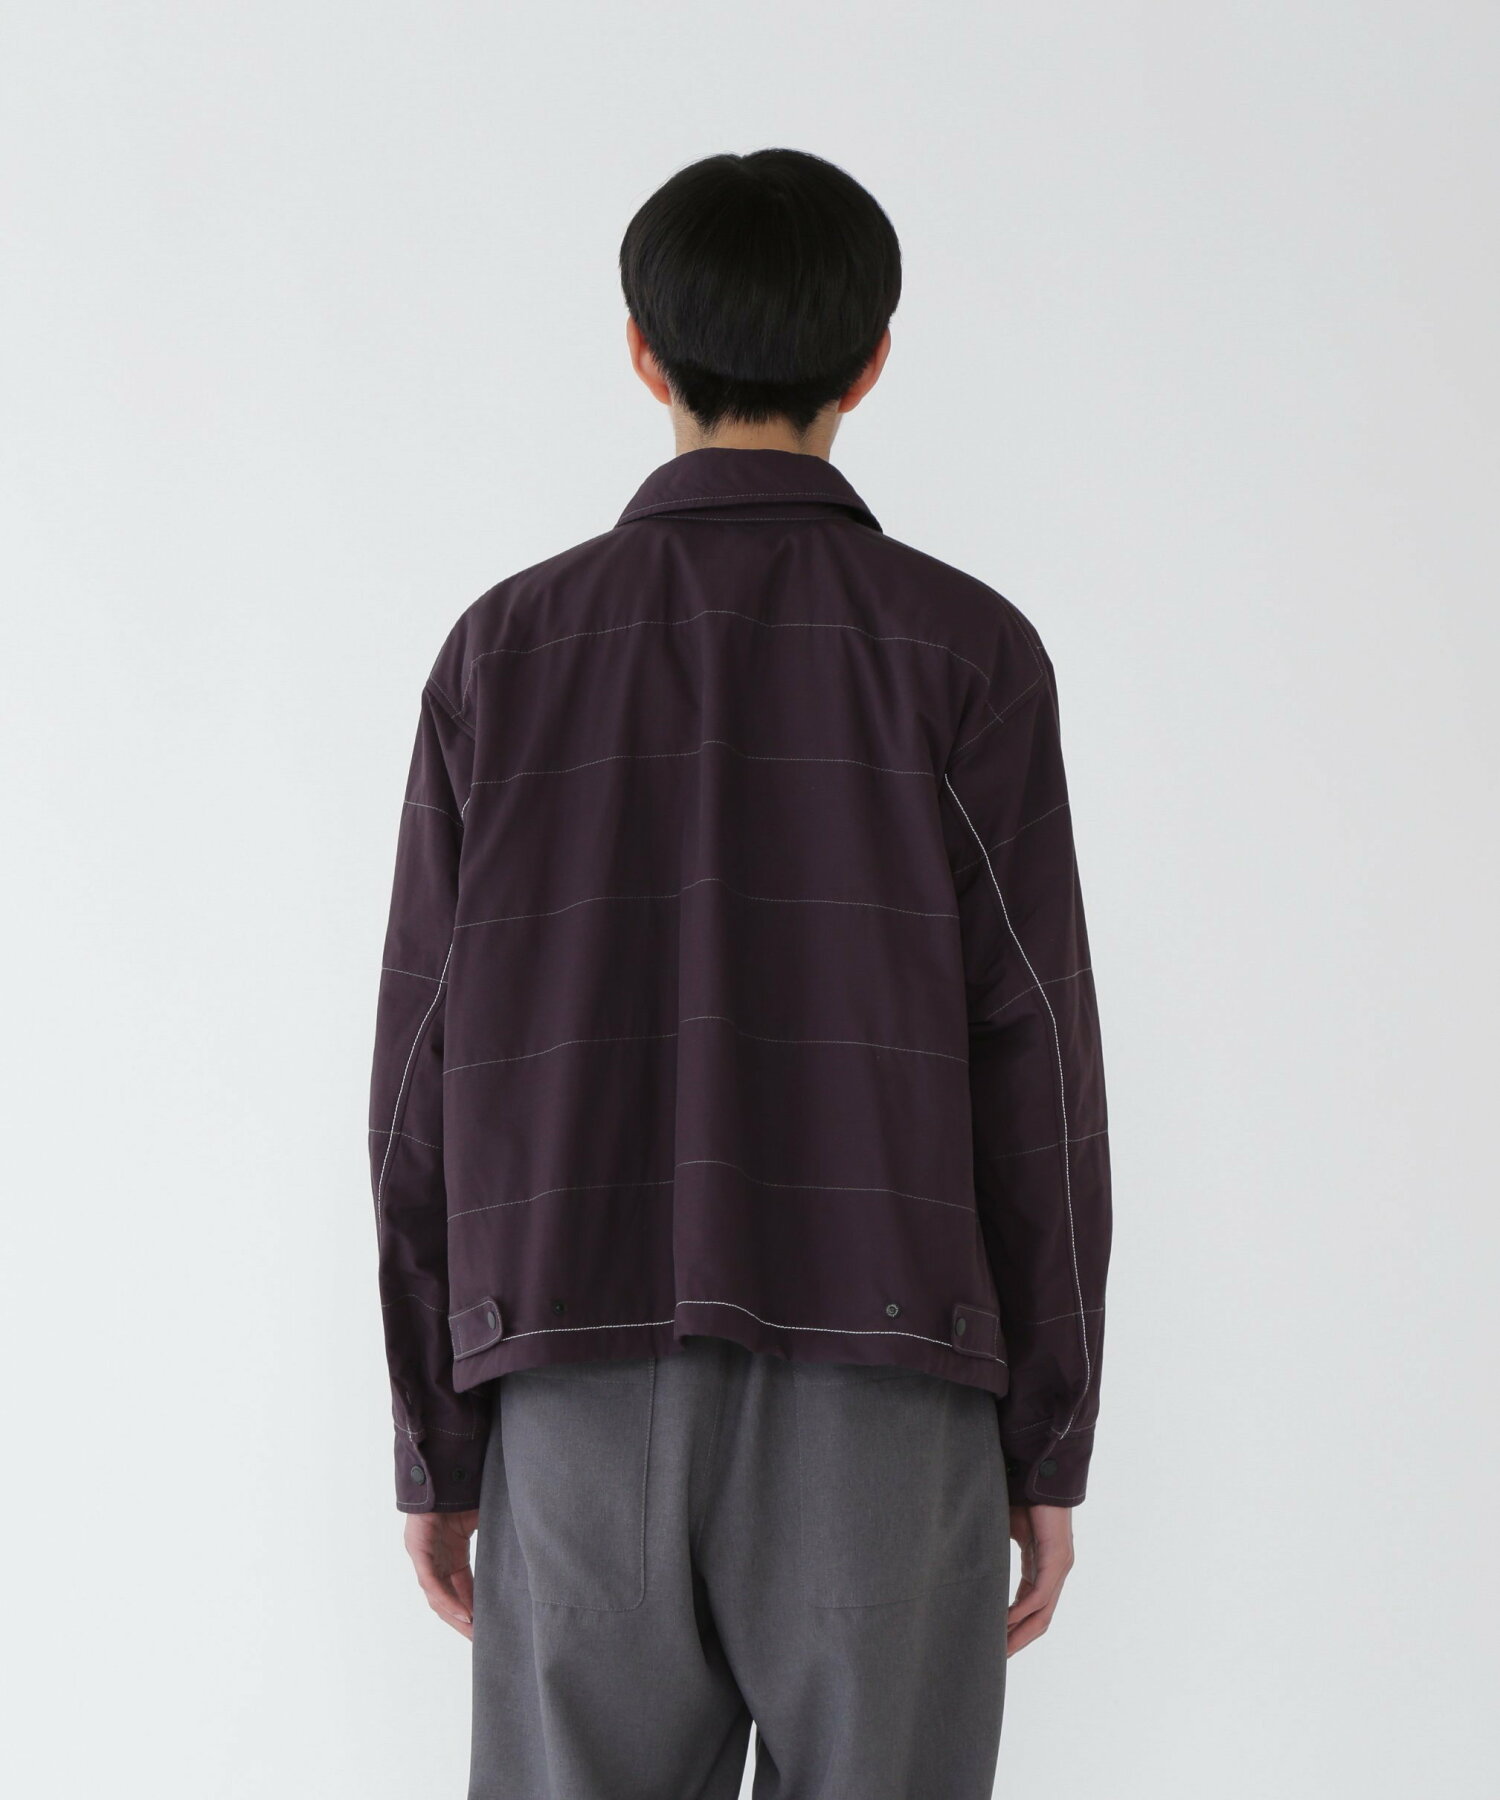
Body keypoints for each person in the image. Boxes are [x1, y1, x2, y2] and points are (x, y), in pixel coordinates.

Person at [367, 146, 1112, 1800]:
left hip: (570, 1377)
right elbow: (1037, 1056)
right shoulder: (967, 655)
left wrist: (439, 1432)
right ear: (873, 361)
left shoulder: (505, 654)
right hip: (889, 1386)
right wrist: (1048, 1436)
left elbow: (422, 1068)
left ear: (643, 353)